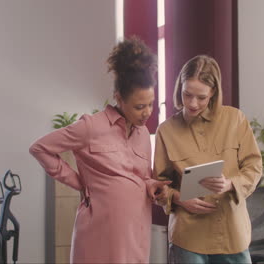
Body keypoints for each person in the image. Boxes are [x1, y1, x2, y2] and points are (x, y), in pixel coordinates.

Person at [29, 37, 170, 264]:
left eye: (151, 104)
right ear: (119, 98)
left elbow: (142, 176)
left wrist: (152, 185)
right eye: (139, 106)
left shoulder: (143, 134)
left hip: (135, 233)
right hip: (99, 235)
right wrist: (79, 182)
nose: (147, 113)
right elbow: (40, 148)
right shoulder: (91, 126)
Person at [153, 55, 263, 264]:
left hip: (232, 234)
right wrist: (177, 198)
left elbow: (254, 166)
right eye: (187, 95)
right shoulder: (166, 131)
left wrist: (231, 183)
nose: (193, 103)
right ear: (180, 89)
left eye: (201, 97)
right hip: (187, 239)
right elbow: (158, 186)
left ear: (213, 93)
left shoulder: (235, 120)